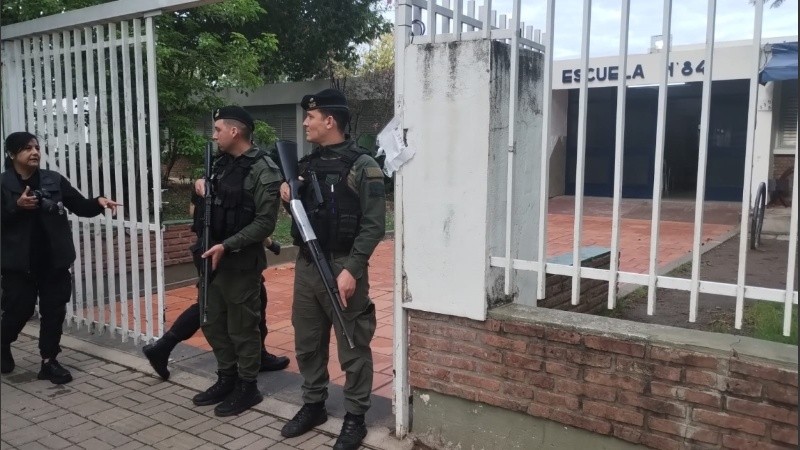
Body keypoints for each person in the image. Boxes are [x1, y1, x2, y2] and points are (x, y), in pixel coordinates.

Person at [279, 89, 386, 450]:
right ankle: (313, 405)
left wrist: (352, 269)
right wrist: (287, 194)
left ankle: (355, 416)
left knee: (353, 343)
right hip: (308, 265)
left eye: (312, 116)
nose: (305, 122)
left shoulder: (364, 166)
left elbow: (374, 226)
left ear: (330, 121)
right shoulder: (305, 166)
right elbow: (302, 215)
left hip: (342, 265)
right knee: (307, 342)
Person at [1, 131, 121, 384]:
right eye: (26, 148)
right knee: (18, 311)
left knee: (54, 311)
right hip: (18, 264)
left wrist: (98, 202)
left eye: (36, 147)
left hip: (54, 261)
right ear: (12, 154)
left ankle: (49, 361)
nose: (35, 152)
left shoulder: (53, 180)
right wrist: (15, 208)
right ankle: (3, 343)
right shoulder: (3, 184)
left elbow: (79, 206)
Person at [190, 106, 282, 417]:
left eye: (218, 130)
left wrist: (227, 246)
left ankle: (247, 386)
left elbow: (264, 224)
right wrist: (199, 186)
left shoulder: (263, 170)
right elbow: (209, 201)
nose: (214, 135)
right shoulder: (219, 165)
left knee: (243, 328)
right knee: (212, 322)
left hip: (240, 263)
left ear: (235, 131)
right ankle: (226, 378)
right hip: (211, 261)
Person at [141, 190, 289, 381]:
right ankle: (257, 357)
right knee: (224, 303)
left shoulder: (209, 181)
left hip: (207, 247)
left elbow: (194, 211)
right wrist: (269, 244)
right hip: (231, 253)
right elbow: (246, 224)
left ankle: (163, 347)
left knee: (213, 301)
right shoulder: (235, 177)